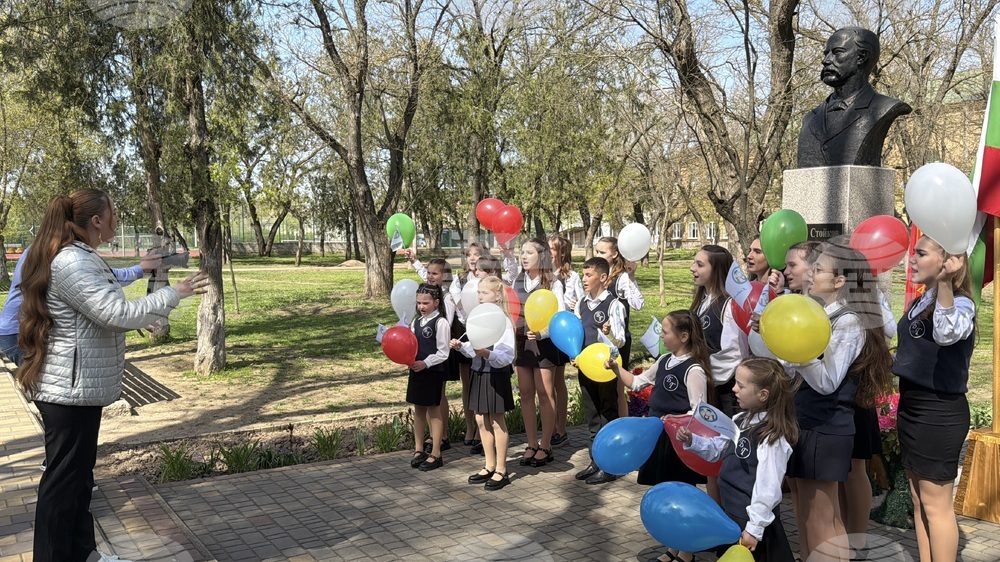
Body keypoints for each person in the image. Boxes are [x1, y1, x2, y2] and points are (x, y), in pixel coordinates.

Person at [17, 189, 207, 562]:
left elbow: (96, 316)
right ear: (96, 221)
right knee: (62, 485)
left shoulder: (82, 256)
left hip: (77, 388)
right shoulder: (73, 260)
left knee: (78, 480)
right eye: (113, 212)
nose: (118, 219)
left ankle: (81, 552)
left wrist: (130, 321)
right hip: (67, 391)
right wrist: (176, 293)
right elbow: (114, 312)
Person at [749, 239, 892, 562]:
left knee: (823, 521)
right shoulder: (818, 315)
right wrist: (772, 337)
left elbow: (828, 382)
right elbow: (785, 366)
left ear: (840, 281)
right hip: (806, 420)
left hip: (826, 428)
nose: (810, 274)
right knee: (813, 519)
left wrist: (800, 352)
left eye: (818, 269)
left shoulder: (848, 321)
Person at [893, 235, 975, 562]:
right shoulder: (922, 299)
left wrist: (944, 285)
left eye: (921, 253)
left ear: (945, 262)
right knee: (918, 500)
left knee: (936, 505)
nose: (912, 258)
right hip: (913, 408)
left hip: (938, 413)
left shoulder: (960, 302)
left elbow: (946, 332)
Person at [606, 310, 711, 562]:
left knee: (682, 494)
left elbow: (699, 410)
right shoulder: (664, 361)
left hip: (679, 442)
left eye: (665, 332)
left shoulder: (694, 369)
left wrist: (675, 421)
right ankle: (672, 547)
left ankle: (686, 553)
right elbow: (637, 382)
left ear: (683, 336)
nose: (661, 335)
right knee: (666, 493)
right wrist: (615, 369)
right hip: (658, 438)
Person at [677, 357, 798, 562]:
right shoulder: (739, 420)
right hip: (732, 514)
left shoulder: (771, 436)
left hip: (750, 523)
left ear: (763, 395)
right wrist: (693, 441)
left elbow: (768, 487)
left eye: (740, 385)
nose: (734, 389)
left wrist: (754, 528)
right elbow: (720, 450)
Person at [1, 246, 162, 367]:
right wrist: (140, 270)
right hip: (22, 334)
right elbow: (100, 279)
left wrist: (130, 319)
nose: (116, 220)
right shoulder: (59, 252)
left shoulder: (49, 247)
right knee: (52, 394)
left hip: (24, 331)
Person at [797, 27, 912, 169]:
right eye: (826, 54)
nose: (826, 61)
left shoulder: (882, 108)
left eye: (837, 52)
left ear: (861, 57)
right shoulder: (810, 119)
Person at [689, 244, 744, 506]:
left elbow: (734, 353)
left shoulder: (729, 306)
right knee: (711, 458)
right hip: (708, 389)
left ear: (717, 269)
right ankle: (716, 514)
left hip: (726, 392)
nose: (692, 269)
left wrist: (702, 367)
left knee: (727, 455)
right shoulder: (701, 302)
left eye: (700, 265)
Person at [451, 276, 515, 490]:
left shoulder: (503, 321)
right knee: (480, 420)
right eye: (478, 293)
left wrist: (488, 353)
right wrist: (461, 347)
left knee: (497, 421)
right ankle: (488, 465)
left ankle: (501, 469)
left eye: (484, 293)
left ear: (497, 296)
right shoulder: (477, 317)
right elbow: (474, 346)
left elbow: (507, 355)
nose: (480, 297)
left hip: (495, 374)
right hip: (478, 372)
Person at [571, 257, 625, 485]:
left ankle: (609, 465)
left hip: (605, 369)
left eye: (589, 275)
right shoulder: (581, 303)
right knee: (592, 416)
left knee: (607, 414)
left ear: (603, 278)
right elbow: (575, 334)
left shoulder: (614, 304)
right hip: (586, 368)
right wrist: (574, 355)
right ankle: (595, 460)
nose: (584, 279)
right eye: (583, 275)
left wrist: (610, 333)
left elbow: (620, 340)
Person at [511, 237, 565, 468]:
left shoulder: (553, 283)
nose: (523, 256)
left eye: (529, 252)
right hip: (522, 343)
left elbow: (560, 316)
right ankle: (531, 443)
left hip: (545, 344)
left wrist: (542, 333)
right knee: (525, 393)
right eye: (522, 252)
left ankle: (546, 445)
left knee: (545, 394)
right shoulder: (517, 281)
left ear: (541, 256)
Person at [404, 251, 459, 452]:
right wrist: (415, 262)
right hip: (422, 353)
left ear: (444, 276)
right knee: (424, 401)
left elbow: (448, 324)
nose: (429, 276)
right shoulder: (427, 295)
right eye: (428, 273)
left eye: (434, 274)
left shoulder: (447, 298)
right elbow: (424, 276)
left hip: (439, 351)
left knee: (438, 396)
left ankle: (441, 436)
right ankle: (431, 436)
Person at [594, 236, 644, 416]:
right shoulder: (596, 275)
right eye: (596, 251)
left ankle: (622, 424)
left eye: (602, 252)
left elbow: (638, 304)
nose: (598, 254)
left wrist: (631, 277)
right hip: (598, 338)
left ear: (615, 254)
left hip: (618, 340)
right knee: (601, 387)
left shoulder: (621, 278)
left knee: (617, 387)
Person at [406, 283, 450, 472]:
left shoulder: (440, 323)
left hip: (432, 371)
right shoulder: (416, 322)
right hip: (416, 371)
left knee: (434, 411)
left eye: (426, 303)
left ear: (436, 302)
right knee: (419, 410)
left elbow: (443, 351)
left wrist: (426, 363)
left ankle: (436, 452)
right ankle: (419, 449)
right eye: (418, 303)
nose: (421, 307)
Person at [451, 243, 486, 451]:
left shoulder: (487, 279)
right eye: (469, 255)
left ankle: (485, 431)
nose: (473, 259)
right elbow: (459, 307)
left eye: (477, 255)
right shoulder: (460, 279)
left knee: (483, 382)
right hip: (466, 331)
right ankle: (470, 426)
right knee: (468, 385)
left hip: (485, 332)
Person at [549, 234, 582, 447]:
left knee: (557, 381)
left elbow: (579, 303)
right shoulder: (541, 274)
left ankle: (561, 428)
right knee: (544, 384)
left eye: (551, 249)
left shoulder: (571, 276)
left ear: (562, 252)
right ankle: (549, 426)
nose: (547, 253)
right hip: (543, 330)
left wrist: (571, 305)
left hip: (560, 331)